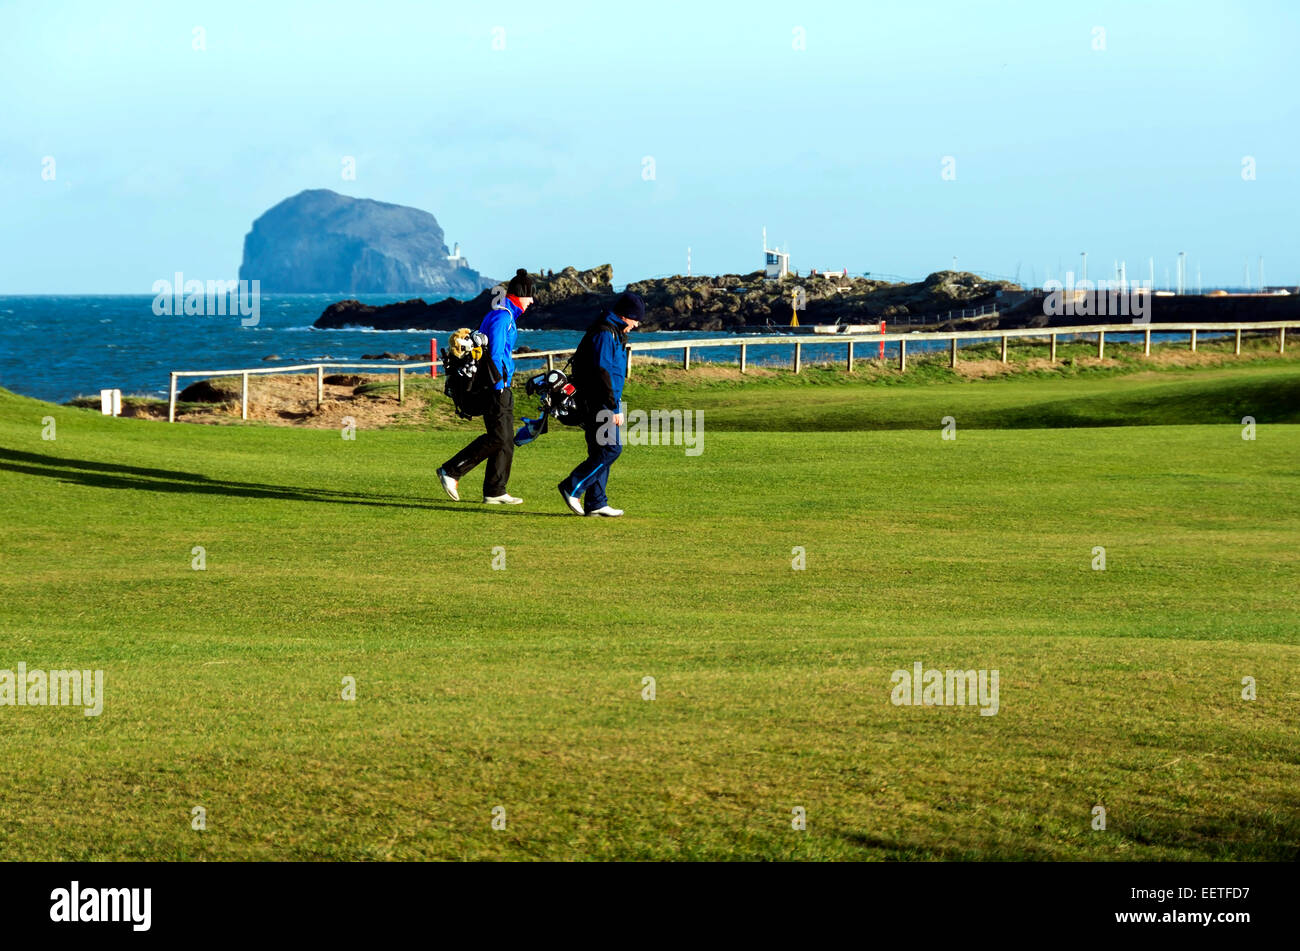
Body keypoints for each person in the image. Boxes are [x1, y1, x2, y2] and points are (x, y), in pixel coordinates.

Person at [437, 269, 533, 504]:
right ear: (520, 295)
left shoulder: (500, 313)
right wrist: (500, 385)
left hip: (497, 384)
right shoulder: (503, 317)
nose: (532, 301)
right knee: (499, 438)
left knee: (506, 439)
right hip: (496, 386)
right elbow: (497, 354)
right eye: (530, 296)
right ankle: (452, 470)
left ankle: (495, 490)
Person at [558, 292, 643, 517]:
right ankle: (572, 486)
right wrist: (614, 407)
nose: (637, 324)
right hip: (597, 402)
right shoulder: (605, 333)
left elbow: (612, 374)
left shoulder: (614, 332)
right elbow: (602, 372)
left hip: (605, 401)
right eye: (636, 319)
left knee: (600, 449)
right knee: (611, 449)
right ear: (626, 316)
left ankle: (596, 502)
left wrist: (618, 404)